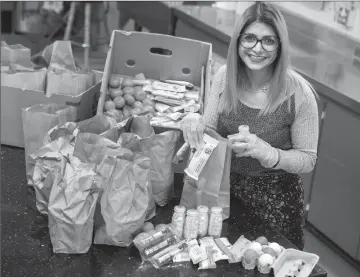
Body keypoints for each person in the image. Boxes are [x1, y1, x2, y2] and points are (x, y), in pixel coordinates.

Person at [180, 1, 319, 250]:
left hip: (275, 201)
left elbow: (307, 160)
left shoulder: (299, 93)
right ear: (238, 41)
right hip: (221, 191)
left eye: (268, 41)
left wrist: (270, 154)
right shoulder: (225, 77)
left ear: (280, 46)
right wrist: (195, 122)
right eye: (250, 38)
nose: (257, 49)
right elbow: (209, 131)